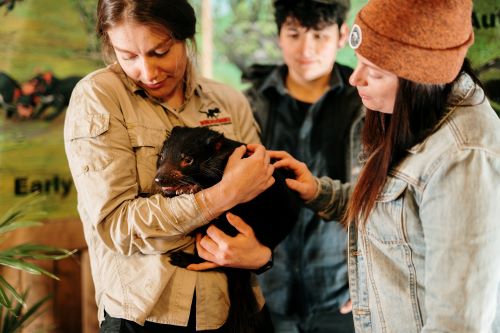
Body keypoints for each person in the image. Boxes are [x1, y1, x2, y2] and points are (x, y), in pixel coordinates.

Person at [264, 0, 500, 331]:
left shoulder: (464, 157)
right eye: (358, 63)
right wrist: (319, 192)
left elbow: (457, 322)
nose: (355, 79)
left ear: (421, 81)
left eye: (375, 72)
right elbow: (396, 212)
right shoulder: (416, 115)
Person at [63, 0, 275, 332]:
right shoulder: (98, 98)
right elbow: (118, 226)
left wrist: (261, 254)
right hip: (147, 315)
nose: (147, 72)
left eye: (160, 52)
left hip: (237, 308)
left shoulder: (228, 101)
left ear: (186, 37)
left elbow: (263, 198)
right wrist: (223, 195)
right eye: (128, 56)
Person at [241, 0, 362, 332]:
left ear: (341, 36)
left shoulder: (367, 102)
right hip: (267, 290)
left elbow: (381, 199)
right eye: (294, 34)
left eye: (319, 36)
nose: (306, 48)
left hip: (342, 294)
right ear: (280, 35)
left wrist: (369, 279)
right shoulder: (250, 104)